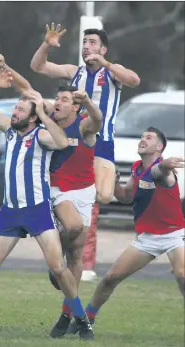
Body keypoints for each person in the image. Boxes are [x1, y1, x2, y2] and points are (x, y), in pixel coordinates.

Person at [0, 67, 94, 341]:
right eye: (15, 109)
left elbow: (61, 141)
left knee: (59, 269)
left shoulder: (42, 136)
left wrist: (45, 115)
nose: (14, 113)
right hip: (9, 213)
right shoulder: (10, 133)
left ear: (33, 117)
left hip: (37, 211)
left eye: (21, 110)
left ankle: (82, 320)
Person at [0, 53, 103, 338]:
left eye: (66, 100)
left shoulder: (84, 123)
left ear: (76, 105)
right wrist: (6, 67)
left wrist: (88, 101)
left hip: (84, 190)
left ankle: (67, 315)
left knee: (77, 252)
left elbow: (98, 121)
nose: (59, 103)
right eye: (59, 99)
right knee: (75, 228)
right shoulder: (49, 116)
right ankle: (56, 264)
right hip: (55, 187)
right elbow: (26, 87)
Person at [30, 23, 141, 281]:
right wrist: (47, 43)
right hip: (76, 142)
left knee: (103, 195)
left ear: (102, 48)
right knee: (71, 199)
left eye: (92, 42)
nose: (86, 47)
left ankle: (65, 239)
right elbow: (38, 67)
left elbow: (134, 80)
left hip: (103, 142)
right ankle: (65, 239)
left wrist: (105, 61)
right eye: (84, 43)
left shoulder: (112, 73)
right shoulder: (74, 72)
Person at [66, 127, 185, 333]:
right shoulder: (137, 168)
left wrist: (166, 163)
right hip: (147, 238)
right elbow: (126, 196)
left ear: (159, 147)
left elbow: (159, 172)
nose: (142, 140)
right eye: (142, 137)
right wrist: (112, 182)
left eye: (149, 138)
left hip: (174, 234)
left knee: (182, 274)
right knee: (111, 278)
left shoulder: (161, 169)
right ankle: (85, 320)